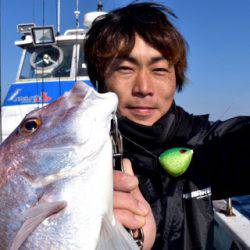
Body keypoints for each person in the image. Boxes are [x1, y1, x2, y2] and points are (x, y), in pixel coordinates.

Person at [84, 2, 250, 249]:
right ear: (102, 80)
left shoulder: (206, 144)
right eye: (125, 69)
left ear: (176, 77)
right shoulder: (82, 160)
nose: (143, 88)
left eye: (159, 69)